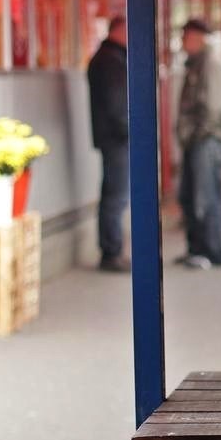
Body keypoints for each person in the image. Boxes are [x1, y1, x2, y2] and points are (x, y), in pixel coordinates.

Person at [175, 18, 221, 269]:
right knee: (190, 195)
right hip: (199, 139)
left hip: (206, 140)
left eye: (185, 37)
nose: (181, 43)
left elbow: (213, 107)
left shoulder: (210, 65)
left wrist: (198, 133)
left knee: (205, 196)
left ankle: (210, 252)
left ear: (197, 38)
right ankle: (196, 249)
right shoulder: (197, 64)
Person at [86, 16, 129, 272]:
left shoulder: (108, 58)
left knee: (113, 194)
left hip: (111, 138)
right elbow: (117, 105)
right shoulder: (110, 61)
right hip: (116, 139)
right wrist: (131, 132)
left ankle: (111, 250)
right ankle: (111, 252)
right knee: (116, 196)